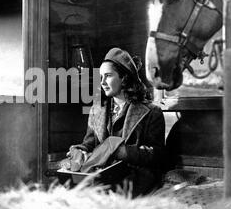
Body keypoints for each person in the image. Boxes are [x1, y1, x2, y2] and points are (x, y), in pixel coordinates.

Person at [65, 47, 166, 197]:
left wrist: (125, 152)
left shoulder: (152, 112)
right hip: (102, 177)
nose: (103, 82)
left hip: (135, 179)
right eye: (101, 77)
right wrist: (80, 151)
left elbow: (158, 156)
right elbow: (89, 144)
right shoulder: (97, 110)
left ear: (124, 78)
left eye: (108, 76)